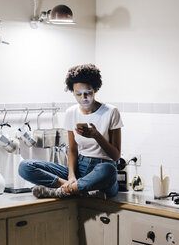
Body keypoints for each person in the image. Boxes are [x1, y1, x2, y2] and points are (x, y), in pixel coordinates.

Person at [18, 64, 123, 199]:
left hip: (102, 169)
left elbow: (115, 156)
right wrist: (72, 176)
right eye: (78, 94)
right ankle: (73, 188)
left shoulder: (111, 112)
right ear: (72, 91)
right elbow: (72, 150)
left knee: (108, 170)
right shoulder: (71, 112)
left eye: (88, 92)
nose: (83, 98)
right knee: (25, 166)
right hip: (80, 168)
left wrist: (96, 135)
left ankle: (63, 191)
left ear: (95, 89)